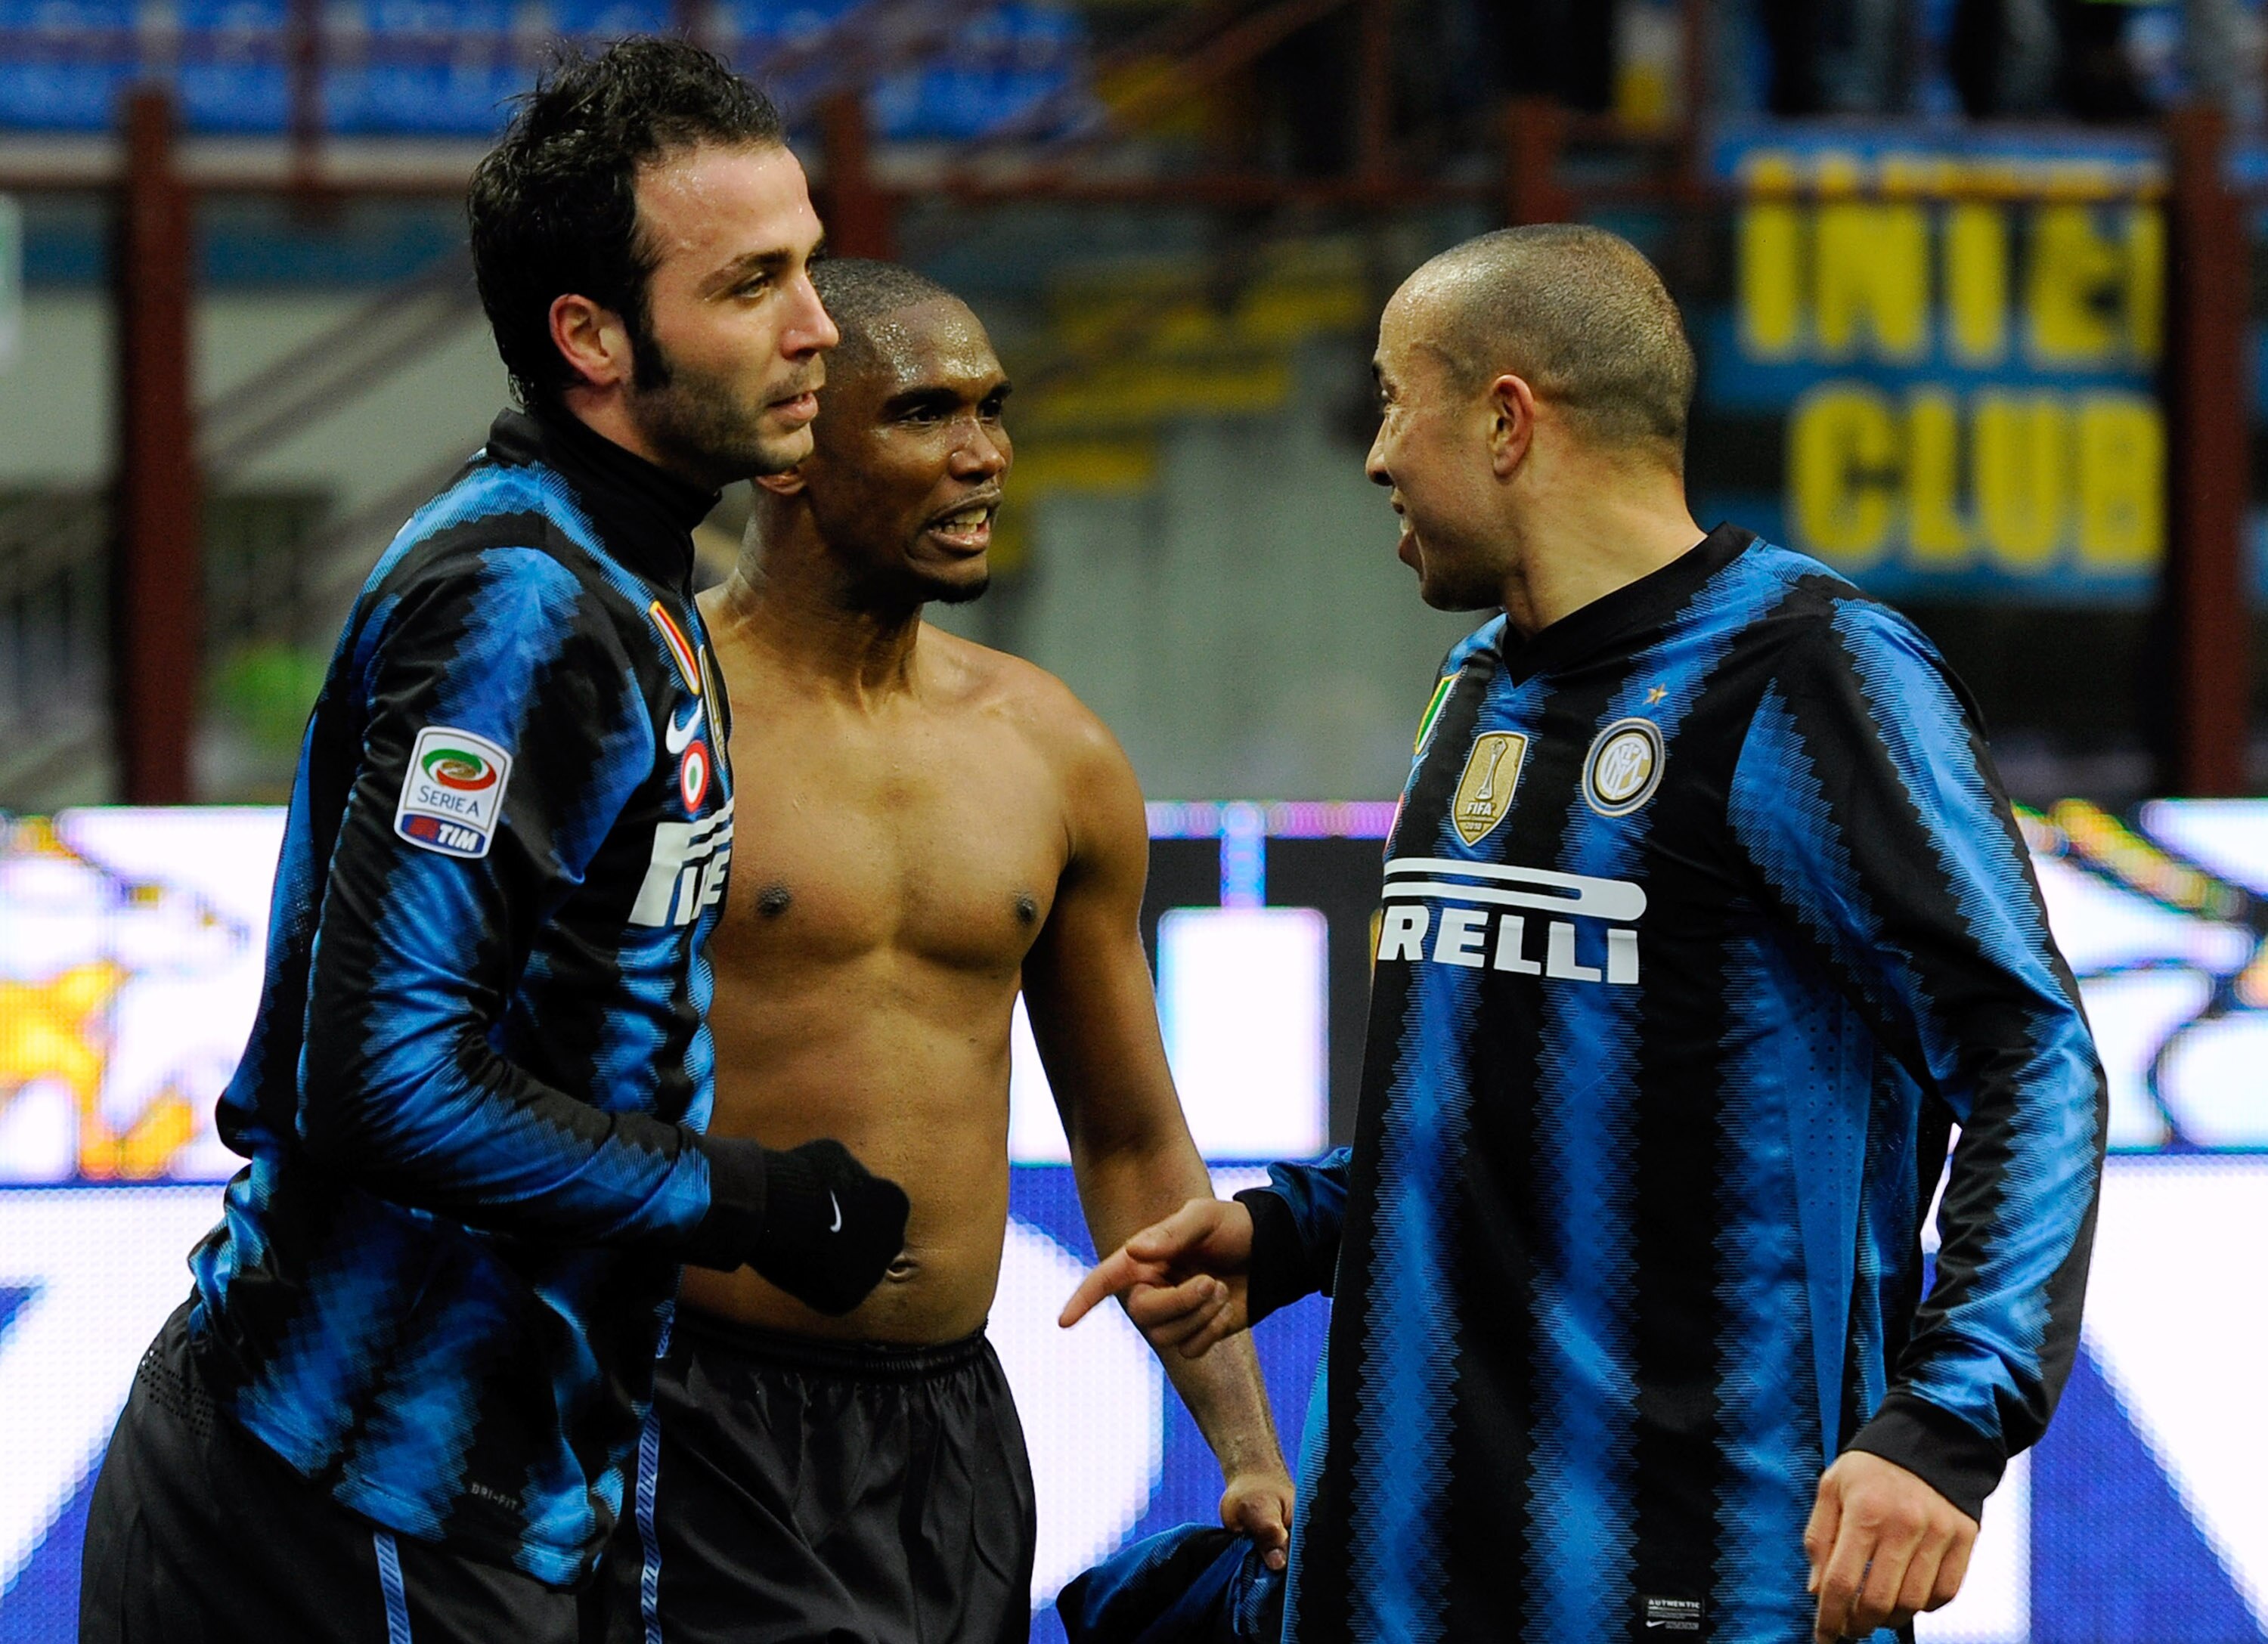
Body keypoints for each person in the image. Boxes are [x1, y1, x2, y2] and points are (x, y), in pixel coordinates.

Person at [1062, 224, 2107, 1644]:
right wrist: (1292, 1229)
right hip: (1397, 1565)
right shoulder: (1474, 681)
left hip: (1691, 1565)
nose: (1373, 457)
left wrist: (1948, 1418)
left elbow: (2031, 1055)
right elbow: (1520, 1083)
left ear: (1505, 420)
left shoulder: (1803, 672)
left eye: (1392, 399)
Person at [78, 40, 911, 1644]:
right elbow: (383, 1078)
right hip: (354, 1487)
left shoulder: (626, 560)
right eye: (752, 285)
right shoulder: (520, 602)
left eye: (809, 261)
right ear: (591, 337)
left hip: (472, 1486)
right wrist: (752, 1199)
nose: (819, 325)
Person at [597, 259, 1295, 1644]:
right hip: (694, 1415)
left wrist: (1244, 1448)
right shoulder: (651, 712)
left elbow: (1130, 1136)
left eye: (994, 410)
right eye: (924, 414)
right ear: (792, 446)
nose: (984, 458)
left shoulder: (1054, 749)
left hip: (954, 1435)